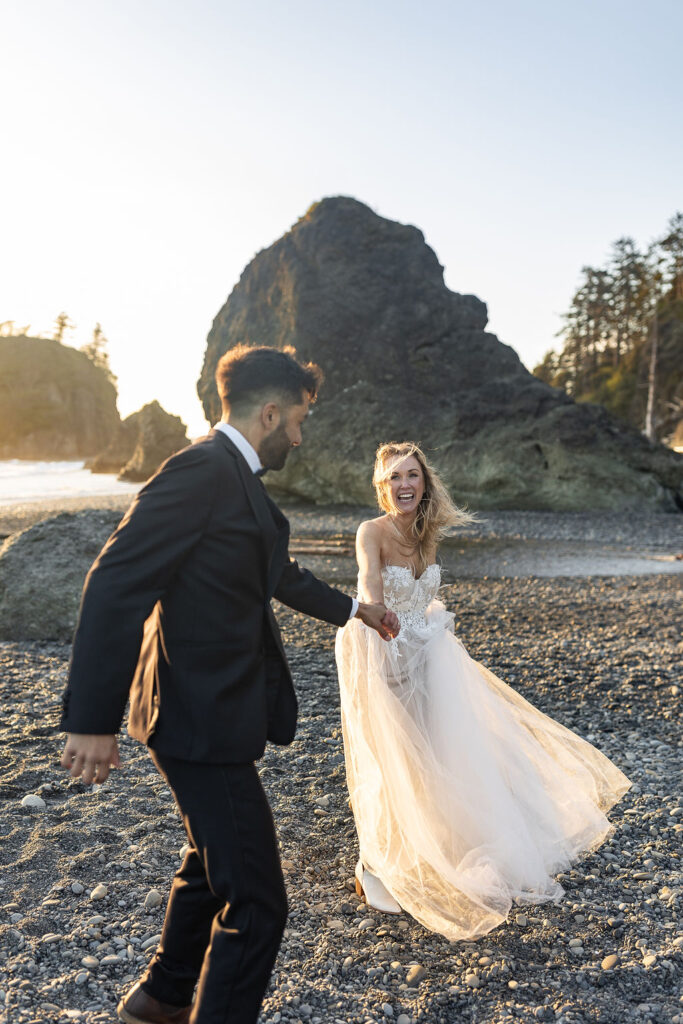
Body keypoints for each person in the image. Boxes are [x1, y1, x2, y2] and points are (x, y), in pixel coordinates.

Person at [59, 345, 399, 1024]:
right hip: (196, 717)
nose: (300, 437)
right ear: (270, 412)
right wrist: (90, 720)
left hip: (216, 710)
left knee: (207, 863)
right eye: (298, 420)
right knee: (258, 902)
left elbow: (275, 572)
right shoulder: (198, 472)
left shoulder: (234, 480)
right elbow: (116, 582)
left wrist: (354, 610)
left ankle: (160, 996)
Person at [335, 440, 630, 939]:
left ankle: (427, 849)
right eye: (393, 478)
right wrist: (376, 611)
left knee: (437, 758)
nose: (403, 485)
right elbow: (370, 586)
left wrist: (427, 632)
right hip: (382, 653)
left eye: (411, 475)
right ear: (382, 489)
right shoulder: (373, 532)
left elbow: (424, 594)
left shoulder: (427, 534)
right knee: (393, 759)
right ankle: (374, 865)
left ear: (424, 481)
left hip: (429, 654)